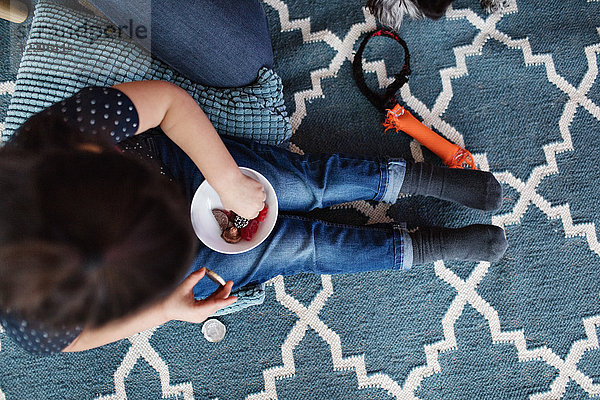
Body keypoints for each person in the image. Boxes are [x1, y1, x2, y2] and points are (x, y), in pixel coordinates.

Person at [0, 81, 507, 354]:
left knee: (307, 181)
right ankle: (418, 247)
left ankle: (415, 180)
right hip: (180, 273)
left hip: (186, 168)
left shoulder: (60, 137)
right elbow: (71, 341)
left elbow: (170, 104)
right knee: (304, 248)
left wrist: (225, 181)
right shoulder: (29, 313)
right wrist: (166, 310)